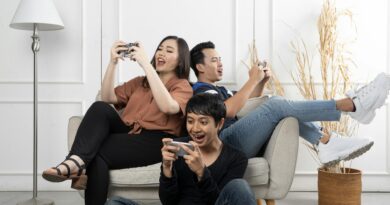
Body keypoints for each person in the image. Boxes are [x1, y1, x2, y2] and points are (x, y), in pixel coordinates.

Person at [42, 36, 193, 205]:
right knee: (100, 107)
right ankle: (75, 161)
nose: (161, 53)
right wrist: (112, 63)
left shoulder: (183, 86)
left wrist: (146, 65)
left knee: (97, 153)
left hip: (155, 139)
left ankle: (75, 163)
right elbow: (107, 97)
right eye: (160, 48)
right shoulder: (140, 83)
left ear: (181, 60)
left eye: (169, 50)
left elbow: (168, 107)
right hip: (128, 133)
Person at [189, 41, 390, 166]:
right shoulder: (201, 91)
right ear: (199, 66)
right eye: (214, 60)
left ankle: (326, 141)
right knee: (276, 104)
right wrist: (251, 80)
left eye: (220, 59)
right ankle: (351, 105)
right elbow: (230, 111)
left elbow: (246, 108)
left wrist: (260, 82)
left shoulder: (221, 91)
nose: (220, 63)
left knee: (278, 107)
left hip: (236, 139)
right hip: (223, 143)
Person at [105, 94, 257, 205]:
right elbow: (168, 202)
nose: (195, 128)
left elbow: (218, 201)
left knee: (239, 186)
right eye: (190, 121)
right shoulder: (179, 147)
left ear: (219, 124)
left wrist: (201, 173)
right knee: (115, 203)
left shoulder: (236, 158)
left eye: (203, 122)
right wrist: (166, 170)